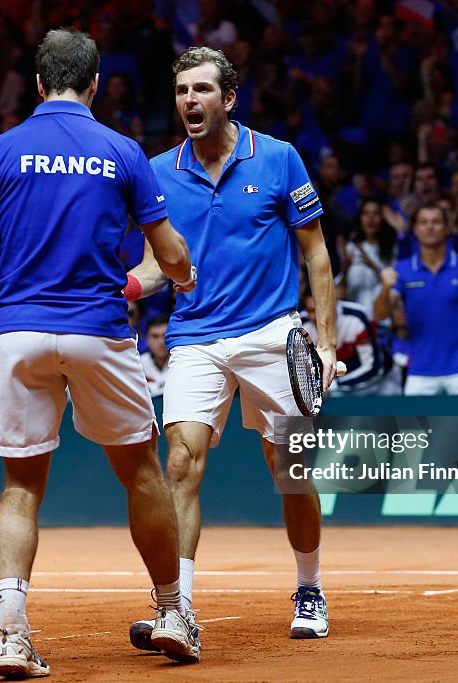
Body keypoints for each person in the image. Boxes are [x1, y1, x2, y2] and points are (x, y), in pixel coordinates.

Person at [0, 28, 198, 677]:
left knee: (21, 485)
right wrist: (182, 275)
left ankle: (11, 632)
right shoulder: (121, 150)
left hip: (17, 331)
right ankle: (172, 610)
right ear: (94, 83)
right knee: (141, 469)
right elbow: (168, 252)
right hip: (98, 328)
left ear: (36, 83)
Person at [126, 46, 338, 642]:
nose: (189, 100)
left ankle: (310, 587)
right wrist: (122, 287)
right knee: (180, 463)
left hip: (273, 331)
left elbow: (315, 251)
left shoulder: (278, 159)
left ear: (229, 99)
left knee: (289, 469)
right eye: (181, 91)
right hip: (195, 336)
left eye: (202, 89)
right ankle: (177, 608)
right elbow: (153, 267)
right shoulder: (158, 171)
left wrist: (324, 344)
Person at [374, 205, 458, 395]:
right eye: (424, 222)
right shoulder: (403, 270)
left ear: (447, 228)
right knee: (415, 426)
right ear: (415, 229)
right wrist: (385, 287)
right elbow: (380, 314)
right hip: (420, 371)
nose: (430, 227)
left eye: (436, 222)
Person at [301, 289, 401, 396]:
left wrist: (333, 384)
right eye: (312, 311)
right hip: (334, 387)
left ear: (334, 305)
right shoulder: (301, 325)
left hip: (380, 382)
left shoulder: (357, 317)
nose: (318, 316)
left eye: (321, 309)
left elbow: (373, 367)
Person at [140, 315, 170, 398]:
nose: (161, 342)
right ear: (147, 339)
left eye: (165, 336)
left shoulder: (181, 363)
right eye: (155, 336)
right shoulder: (138, 364)